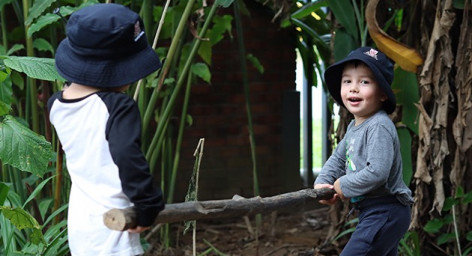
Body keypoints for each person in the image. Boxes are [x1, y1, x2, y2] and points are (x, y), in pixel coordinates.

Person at [48, 4, 165, 255]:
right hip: (115, 226)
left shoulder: (56, 105)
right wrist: (148, 205)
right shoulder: (117, 107)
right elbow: (126, 154)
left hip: (81, 225)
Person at [314, 47, 413, 256]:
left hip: (386, 209)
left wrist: (343, 184)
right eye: (347, 81)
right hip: (374, 211)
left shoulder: (379, 126)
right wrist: (323, 181)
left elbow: (378, 172)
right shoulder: (354, 126)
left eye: (364, 82)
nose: (354, 89)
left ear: (383, 93)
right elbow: (338, 159)